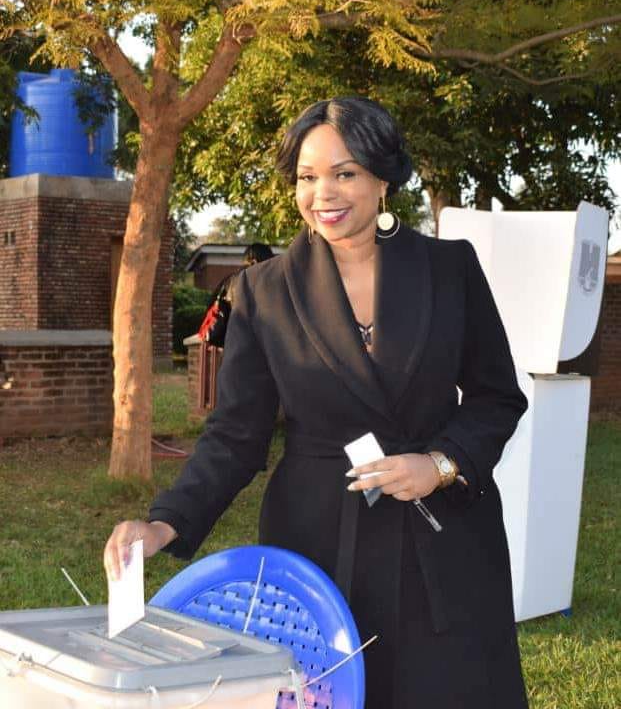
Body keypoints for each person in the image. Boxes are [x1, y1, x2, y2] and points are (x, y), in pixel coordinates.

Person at [104, 96, 529, 708]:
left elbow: (495, 395)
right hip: (320, 554)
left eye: (345, 173)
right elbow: (234, 437)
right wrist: (163, 523)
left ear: (383, 177)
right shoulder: (262, 292)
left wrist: (438, 464)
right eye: (307, 177)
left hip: (444, 545)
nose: (323, 193)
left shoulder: (450, 268)